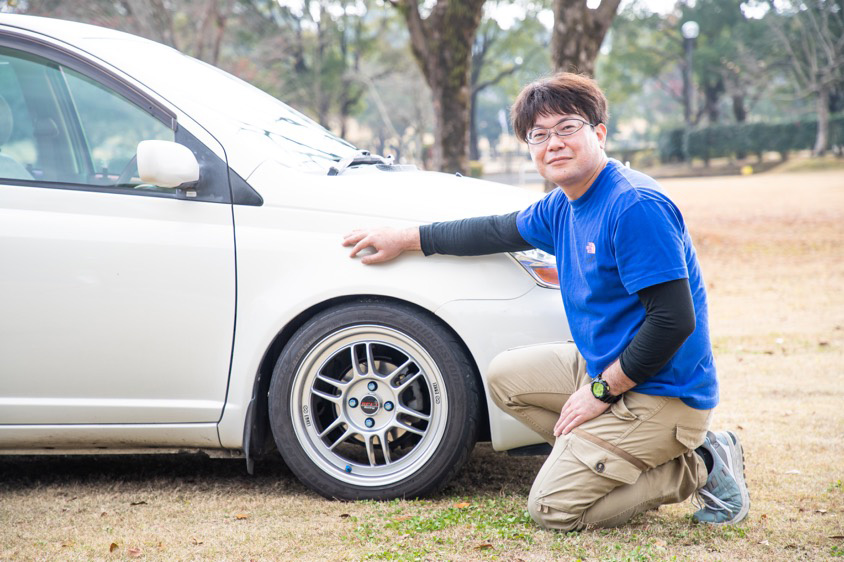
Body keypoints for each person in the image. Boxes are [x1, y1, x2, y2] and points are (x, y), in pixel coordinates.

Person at [342, 73, 749, 531]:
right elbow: (495, 229)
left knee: (552, 509)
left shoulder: (634, 206)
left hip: (665, 392)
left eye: (567, 128)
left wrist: (601, 393)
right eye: (539, 135)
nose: (552, 143)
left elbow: (674, 322)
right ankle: (603, 453)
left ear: (599, 133)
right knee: (504, 378)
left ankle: (700, 463)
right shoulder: (564, 203)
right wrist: (406, 238)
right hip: (609, 368)